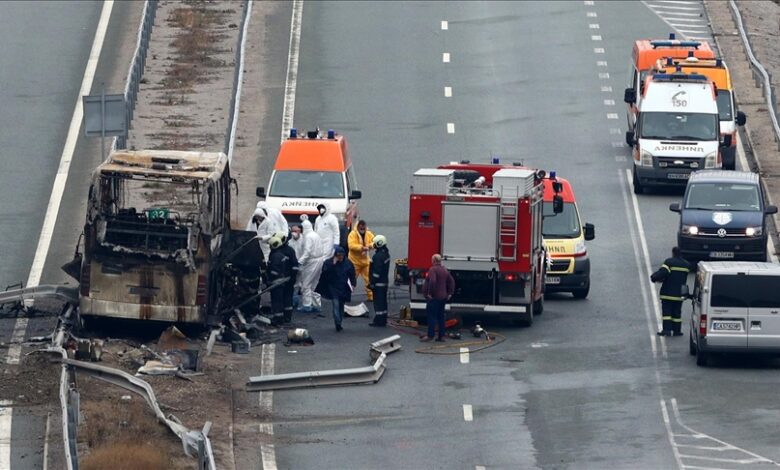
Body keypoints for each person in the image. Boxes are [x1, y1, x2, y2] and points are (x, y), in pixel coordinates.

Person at [650, 246, 692, 337]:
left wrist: (653, 277)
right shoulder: (686, 265)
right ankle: (677, 331)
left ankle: (666, 330)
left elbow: (663, 273)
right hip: (679, 294)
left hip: (668, 293)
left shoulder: (669, 262)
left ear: (673, 253)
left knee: (667, 313)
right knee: (677, 313)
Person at [317, 246, 355, 332]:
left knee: (341, 305)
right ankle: (337, 322)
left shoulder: (348, 263)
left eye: (342, 255)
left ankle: (339, 321)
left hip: (343, 287)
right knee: (336, 305)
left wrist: (353, 284)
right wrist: (332, 265)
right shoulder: (329, 262)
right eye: (338, 256)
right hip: (333, 287)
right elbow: (325, 273)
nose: (340, 257)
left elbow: (352, 274)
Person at [421, 254, 455, 342]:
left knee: (431, 317)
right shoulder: (444, 269)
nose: (431, 261)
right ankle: (441, 336)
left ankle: (430, 335)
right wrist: (450, 293)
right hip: (443, 297)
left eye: (432, 259)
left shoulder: (433, 269)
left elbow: (433, 281)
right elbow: (451, 281)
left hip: (435, 297)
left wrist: (430, 293)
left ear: (434, 260)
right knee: (441, 317)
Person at [297, 218, 326, 312]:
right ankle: (316, 304)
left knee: (306, 284)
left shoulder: (308, 237)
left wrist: (299, 262)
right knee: (314, 284)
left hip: (311, 262)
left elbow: (307, 252)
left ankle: (306, 305)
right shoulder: (316, 235)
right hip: (320, 260)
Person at [274, 230, 299, 324]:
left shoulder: (284, 250)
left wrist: (292, 277)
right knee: (285, 298)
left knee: (281, 299)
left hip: (284, 280)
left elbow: (294, 265)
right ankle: (285, 318)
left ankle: (282, 318)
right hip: (287, 279)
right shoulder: (289, 250)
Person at [347, 220, 374, 302]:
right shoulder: (352, 234)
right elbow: (351, 246)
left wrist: (369, 246)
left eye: (363, 227)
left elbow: (374, 242)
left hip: (365, 262)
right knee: (351, 280)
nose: (362, 228)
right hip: (354, 262)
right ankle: (346, 295)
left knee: (369, 280)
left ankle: (371, 297)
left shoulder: (369, 234)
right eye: (360, 227)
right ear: (358, 226)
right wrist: (362, 248)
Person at [266, 235, 290, 326]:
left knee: (276, 301)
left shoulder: (275, 256)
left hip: (276, 282)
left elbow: (274, 271)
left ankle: (277, 319)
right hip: (281, 280)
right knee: (279, 300)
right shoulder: (281, 254)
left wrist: (268, 279)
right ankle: (280, 318)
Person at [368, 235, 390, 327]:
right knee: (383, 302)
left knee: (378, 303)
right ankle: (383, 319)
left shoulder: (378, 257)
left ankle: (379, 321)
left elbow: (376, 272)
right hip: (384, 282)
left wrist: (372, 283)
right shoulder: (386, 254)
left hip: (378, 284)